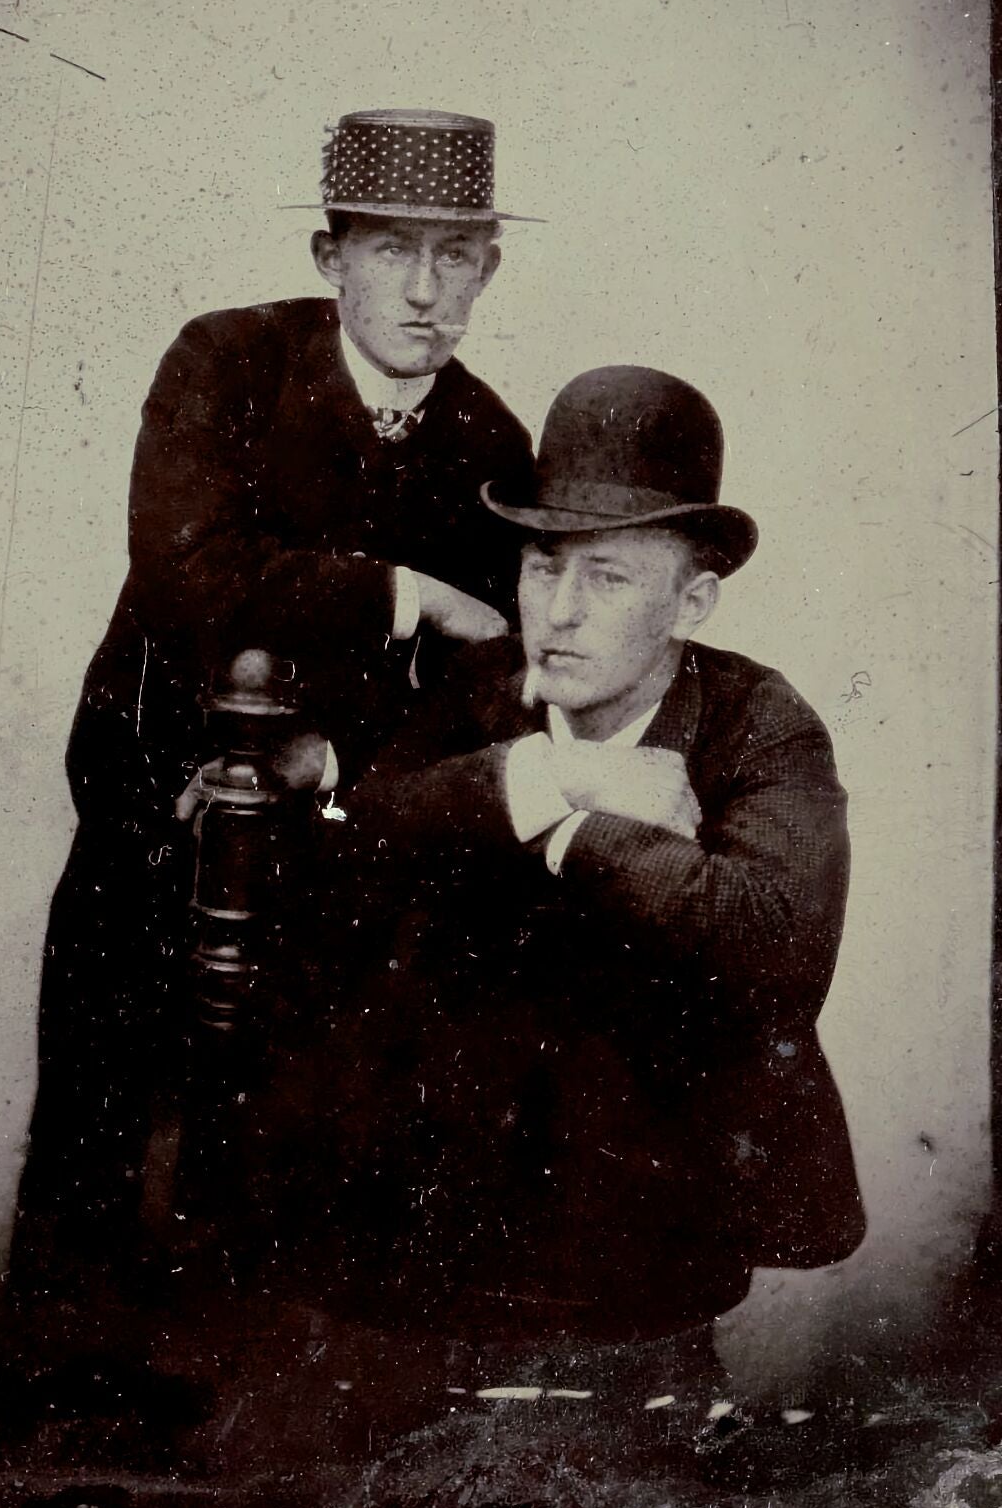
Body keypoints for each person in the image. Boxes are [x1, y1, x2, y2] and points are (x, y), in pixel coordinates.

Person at [9, 108, 536, 1311]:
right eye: (393, 249)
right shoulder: (227, 360)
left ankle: (228, 1392)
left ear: (490, 267)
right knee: (100, 1085)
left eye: (456, 256)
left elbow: (483, 687)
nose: (424, 291)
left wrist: (337, 754)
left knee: (275, 1116)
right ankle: (51, 1386)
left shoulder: (494, 444)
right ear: (328, 257)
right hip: (150, 784)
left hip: (326, 814)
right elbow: (185, 569)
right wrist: (408, 594)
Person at [300, 364, 865, 1387]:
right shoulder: (480, 691)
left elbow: (780, 950)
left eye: (605, 578)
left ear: (691, 600)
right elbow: (352, 856)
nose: (556, 611)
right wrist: (551, 771)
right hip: (439, 1238)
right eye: (540, 566)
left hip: (646, 1246)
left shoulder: (761, 722)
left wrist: (571, 833)